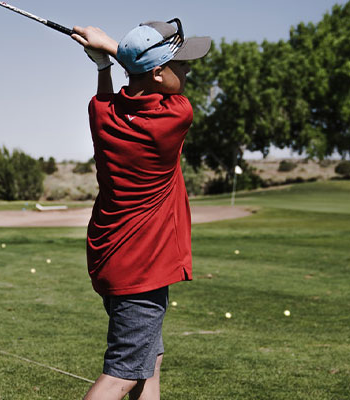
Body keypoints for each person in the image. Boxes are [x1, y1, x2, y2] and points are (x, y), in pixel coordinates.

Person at [71, 20, 211, 400]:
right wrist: (110, 50)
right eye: (180, 65)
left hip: (111, 260)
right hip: (143, 269)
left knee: (149, 363)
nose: (187, 71)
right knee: (121, 375)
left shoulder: (101, 113)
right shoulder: (175, 116)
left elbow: (108, 97)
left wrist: (103, 65)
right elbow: (133, 72)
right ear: (158, 74)